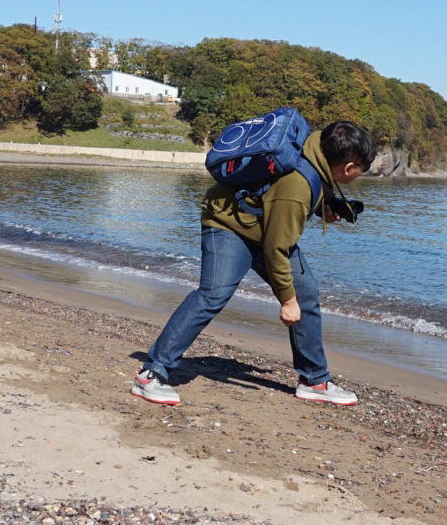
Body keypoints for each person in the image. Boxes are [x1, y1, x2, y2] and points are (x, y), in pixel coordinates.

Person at [134, 120, 376, 407]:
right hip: (228, 225)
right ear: (349, 168)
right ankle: (152, 373)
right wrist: (287, 301)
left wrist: (325, 207)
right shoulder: (298, 184)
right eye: (364, 168)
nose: (362, 174)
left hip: (262, 227)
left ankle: (314, 380)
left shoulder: (314, 152)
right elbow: (277, 249)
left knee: (306, 293)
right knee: (213, 294)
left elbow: (278, 205)